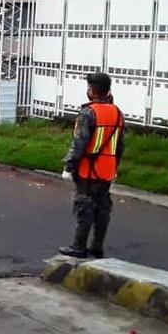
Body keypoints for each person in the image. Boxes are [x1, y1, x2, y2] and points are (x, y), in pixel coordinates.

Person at [59, 72, 124, 259]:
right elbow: (120, 146)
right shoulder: (117, 113)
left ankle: (79, 247)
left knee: (84, 207)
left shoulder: (88, 113)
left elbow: (79, 143)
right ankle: (97, 247)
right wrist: (114, 167)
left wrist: (69, 165)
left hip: (88, 170)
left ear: (92, 91)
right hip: (107, 171)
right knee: (102, 209)